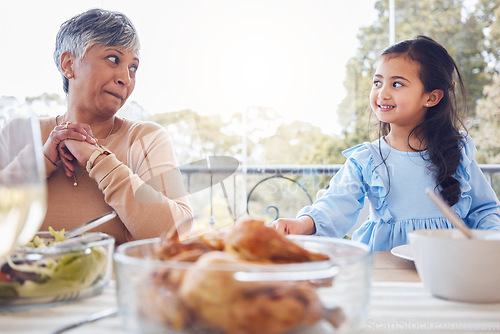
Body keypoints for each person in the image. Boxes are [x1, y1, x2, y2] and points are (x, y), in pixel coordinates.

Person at [273, 35, 500, 251]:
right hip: (385, 263)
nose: (382, 93)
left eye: (397, 84)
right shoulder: (366, 159)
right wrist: (303, 223)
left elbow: (485, 210)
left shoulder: (458, 152)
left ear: (431, 97)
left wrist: (491, 239)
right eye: (377, 82)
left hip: (448, 263)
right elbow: (335, 204)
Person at [40, 8, 193, 244]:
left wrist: (98, 159)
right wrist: (42, 162)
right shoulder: (22, 134)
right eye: (113, 59)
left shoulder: (146, 138)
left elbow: (179, 236)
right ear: (69, 64)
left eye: (133, 67)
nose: (126, 78)